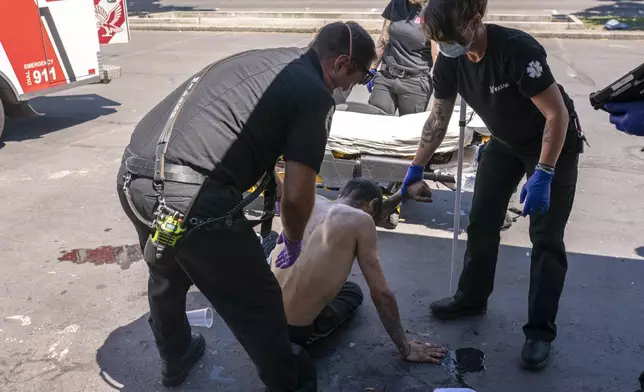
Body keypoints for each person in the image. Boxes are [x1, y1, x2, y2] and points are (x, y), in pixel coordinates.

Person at [115, 21, 376, 392]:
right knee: (260, 302)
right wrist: (295, 240)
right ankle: (291, 384)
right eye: (358, 77)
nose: (351, 87)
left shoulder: (270, 62)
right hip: (190, 197)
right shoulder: (315, 93)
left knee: (167, 274)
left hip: (134, 177)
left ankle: (175, 357)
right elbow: (299, 195)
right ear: (342, 63)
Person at [401, 0, 585, 371]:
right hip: (505, 142)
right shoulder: (450, 59)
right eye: (441, 40)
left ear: (475, 20)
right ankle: (471, 298)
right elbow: (438, 117)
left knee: (546, 237)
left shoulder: (517, 50)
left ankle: (539, 332)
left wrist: (545, 174)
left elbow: (556, 113)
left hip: (552, 143)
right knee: (483, 219)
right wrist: (415, 167)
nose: (448, 45)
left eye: (453, 36)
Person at [270, 177, 447, 363]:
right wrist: (406, 347)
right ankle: (311, 327)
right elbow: (381, 294)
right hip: (290, 332)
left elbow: (370, 214)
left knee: (275, 246)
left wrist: (401, 195)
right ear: (372, 204)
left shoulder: (313, 201)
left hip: (260, 314)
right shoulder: (361, 220)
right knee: (353, 292)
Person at [367, 0, 439, 116]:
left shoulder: (434, 11)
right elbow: (383, 39)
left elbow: (436, 53)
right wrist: (372, 68)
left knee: (409, 132)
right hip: (386, 76)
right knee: (377, 124)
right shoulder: (395, 4)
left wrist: (441, 81)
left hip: (415, 82)